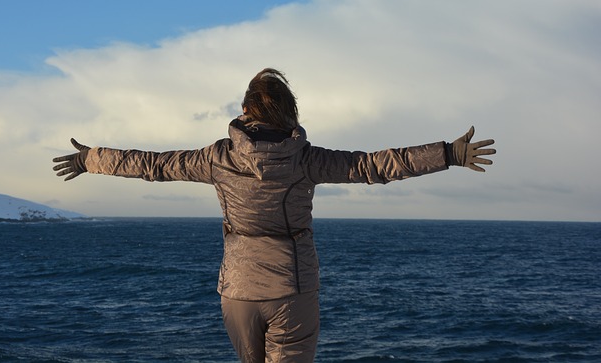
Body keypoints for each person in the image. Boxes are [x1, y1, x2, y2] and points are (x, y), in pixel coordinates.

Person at [52, 67, 496, 363]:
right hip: (292, 292)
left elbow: (153, 165)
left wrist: (92, 158)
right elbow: (374, 166)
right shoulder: (307, 159)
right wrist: (448, 154)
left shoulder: (216, 158)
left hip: (237, 295)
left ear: (245, 110)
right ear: (290, 112)